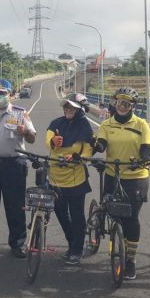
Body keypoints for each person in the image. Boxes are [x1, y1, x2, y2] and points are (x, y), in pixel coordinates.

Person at [94, 87, 150, 280]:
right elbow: (101, 144)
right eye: (119, 102)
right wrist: (96, 148)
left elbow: (146, 149)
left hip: (136, 176)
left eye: (127, 103)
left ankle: (131, 260)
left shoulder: (141, 124)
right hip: (113, 174)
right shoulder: (106, 124)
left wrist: (142, 159)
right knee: (113, 211)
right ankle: (116, 239)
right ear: (114, 103)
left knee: (131, 217)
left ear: (132, 106)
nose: (122, 106)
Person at [0, 80, 36, 259]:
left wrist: (25, 131)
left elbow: (32, 138)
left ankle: (17, 244)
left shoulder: (20, 113)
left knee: (15, 206)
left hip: (13, 164)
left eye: (2, 93)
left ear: (10, 95)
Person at [45, 93, 94, 265]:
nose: (68, 109)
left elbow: (88, 151)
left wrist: (78, 157)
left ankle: (76, 249)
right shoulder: (56, 123)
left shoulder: (85, 128)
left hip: (75, 178)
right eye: (66, 106)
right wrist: (53, 142)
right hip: (55, 178)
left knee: (77, 215)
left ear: (80, 109)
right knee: (59, 211)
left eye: (72, 107)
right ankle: (72, 240)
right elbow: (47, 139)